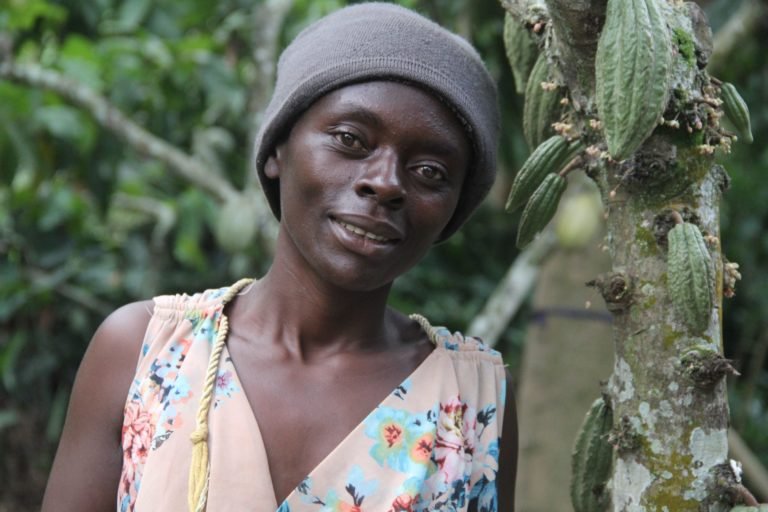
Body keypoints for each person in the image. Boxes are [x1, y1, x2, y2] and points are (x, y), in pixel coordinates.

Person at [41, 3, 518, 511]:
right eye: (350, 139)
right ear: (277, 150)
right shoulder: (146, 352)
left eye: (429, 171)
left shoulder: (472, 403)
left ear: (452, 211)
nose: (384, 182)